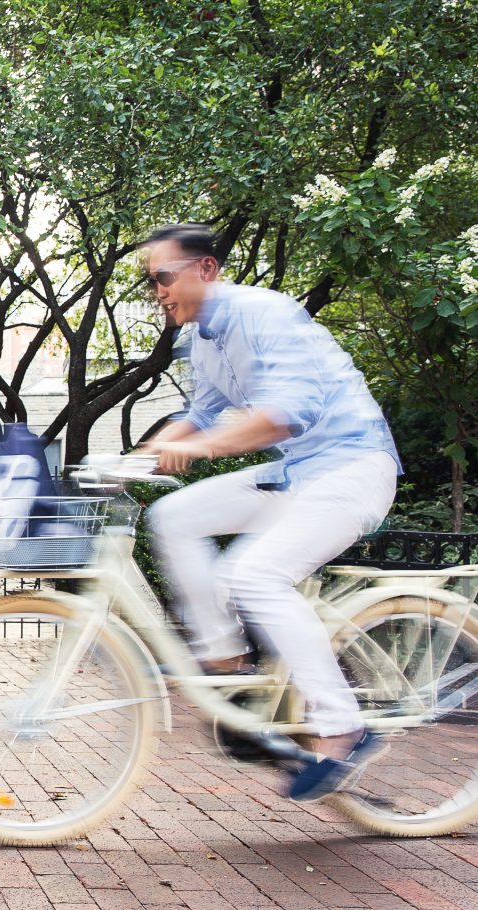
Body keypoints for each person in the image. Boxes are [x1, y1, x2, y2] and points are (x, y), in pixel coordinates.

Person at [138, 223, 402, 802]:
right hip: (295, 475)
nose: (156, 290)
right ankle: (228, 666)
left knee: (253, 575)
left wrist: (198, 448)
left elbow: (287, 413)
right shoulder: (202, 340)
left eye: (162, 276)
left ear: (205, 269)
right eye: (149, 280)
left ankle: (342, 727)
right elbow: (200, 415)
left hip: (351, 468)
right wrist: (141, 455)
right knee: (172, 517)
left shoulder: (267, 314)